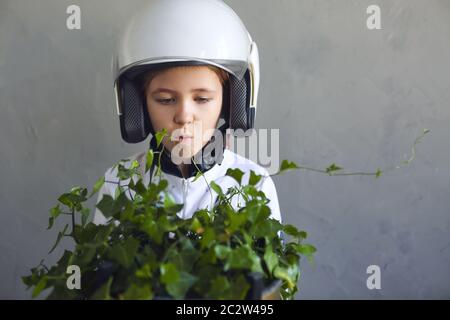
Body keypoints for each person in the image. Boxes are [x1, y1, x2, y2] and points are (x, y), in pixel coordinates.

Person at [93, 0, 282, 226]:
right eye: (165, 100)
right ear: (139, 105)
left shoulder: (254, 186)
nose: (183, 116)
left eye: (202, 99)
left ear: (231, 102)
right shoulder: (119, 183)